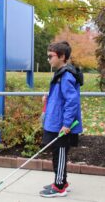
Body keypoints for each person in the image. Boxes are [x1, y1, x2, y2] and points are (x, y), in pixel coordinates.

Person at [39, 41, 83, 198]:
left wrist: (66, 124)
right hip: (55, 122)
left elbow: (72, 102)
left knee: (60, 153)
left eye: (51, 56)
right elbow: (61, 98)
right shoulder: (59, 74)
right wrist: (49, 99)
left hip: (62, 125)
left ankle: (59, 187)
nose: (49, 59)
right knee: (57, 153)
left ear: (62, 56)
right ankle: (61, 181)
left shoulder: (66, 76)